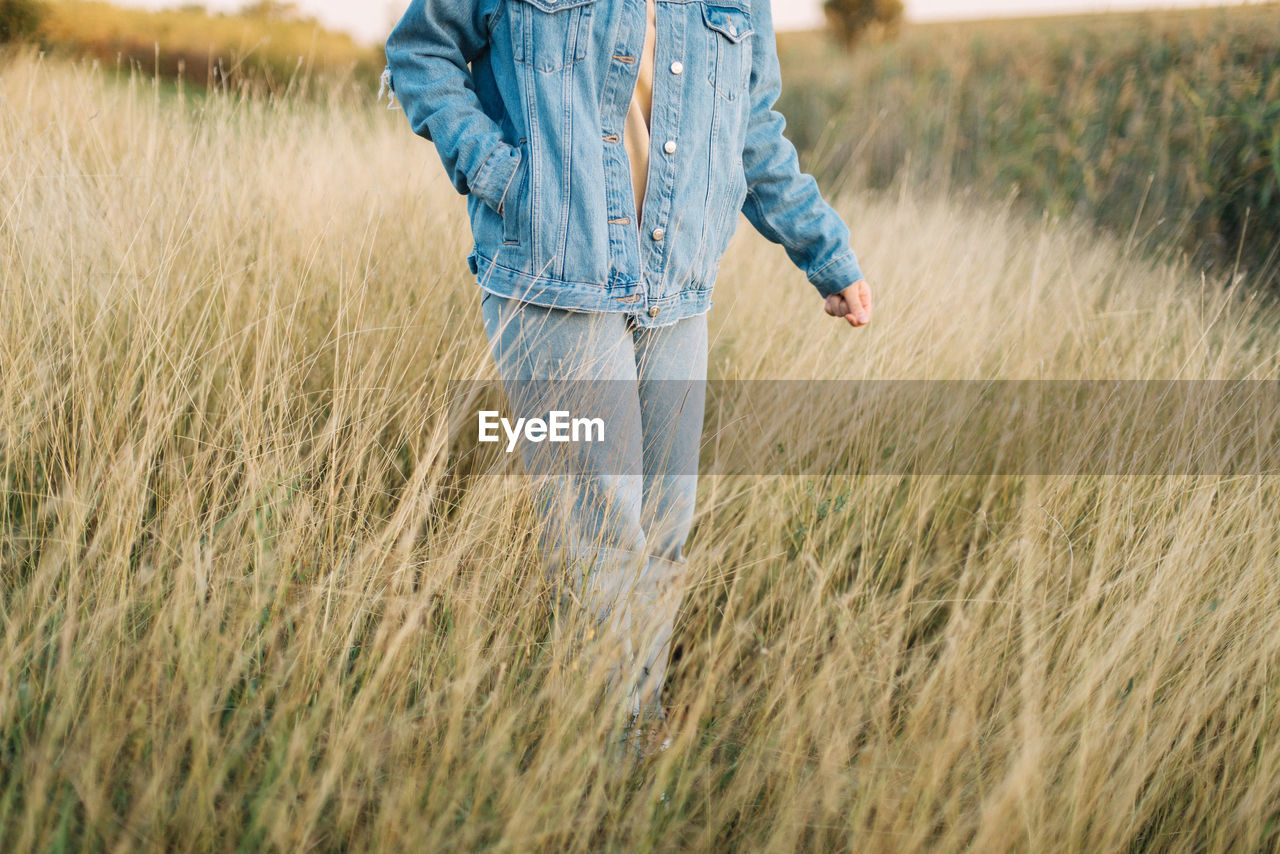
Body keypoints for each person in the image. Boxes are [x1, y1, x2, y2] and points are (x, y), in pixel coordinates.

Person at [384, 0, 873, 753]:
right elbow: (422, 54)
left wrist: (824, 252)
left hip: (675, 289)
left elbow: (752, 128)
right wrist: (500, 175)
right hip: (552, 278)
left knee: (663, 533)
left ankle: (630, 730)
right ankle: (617, 752)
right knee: (600, 531)